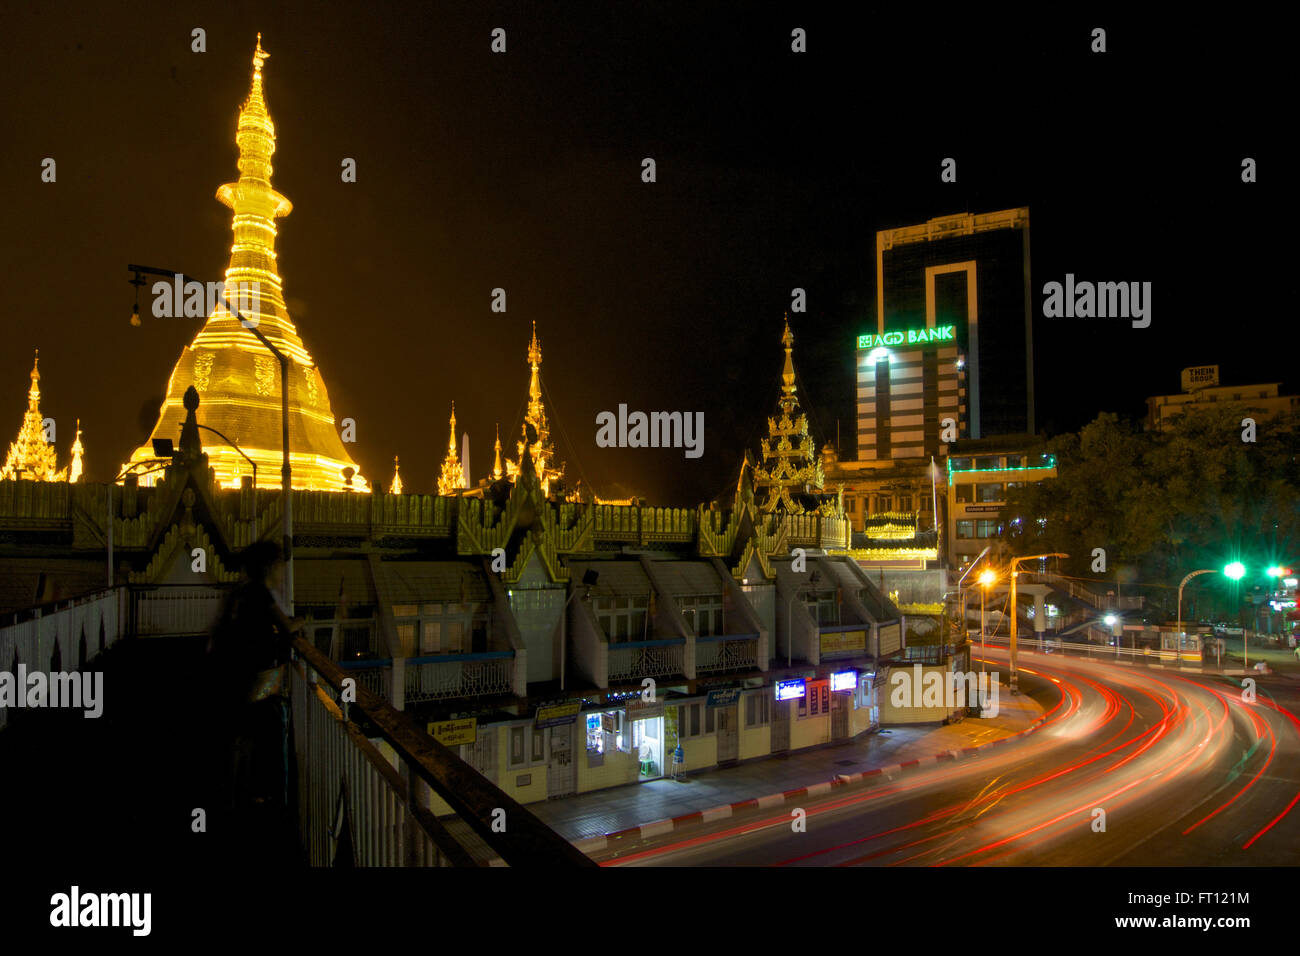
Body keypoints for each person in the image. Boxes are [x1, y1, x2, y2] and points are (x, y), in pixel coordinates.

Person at [205, 541, 304, 823]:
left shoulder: (239, 592)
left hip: (229, 672)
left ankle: (234, 795)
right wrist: (302, 620)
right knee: (258, 732)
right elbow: (287, 626)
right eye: (281, 565)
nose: (284, 571)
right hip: (252, 675)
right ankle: (257, 800)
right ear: (270, 567)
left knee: (240, 736)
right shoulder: (260, 593)